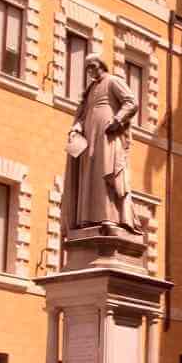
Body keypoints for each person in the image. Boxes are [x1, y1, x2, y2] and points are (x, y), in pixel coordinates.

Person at [62, 53, 141, 235]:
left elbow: (131, 102)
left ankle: (110, 216)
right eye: (88, 67)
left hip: (108, 135)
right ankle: (88, 218)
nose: (91, 70)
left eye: (93, 65)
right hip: (89, 137)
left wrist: (118, 120)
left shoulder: (113, 81)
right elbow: (82, 115)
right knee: (89, 176)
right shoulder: (89, 90)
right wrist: (75, 129)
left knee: (107, 171)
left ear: (102, 65)